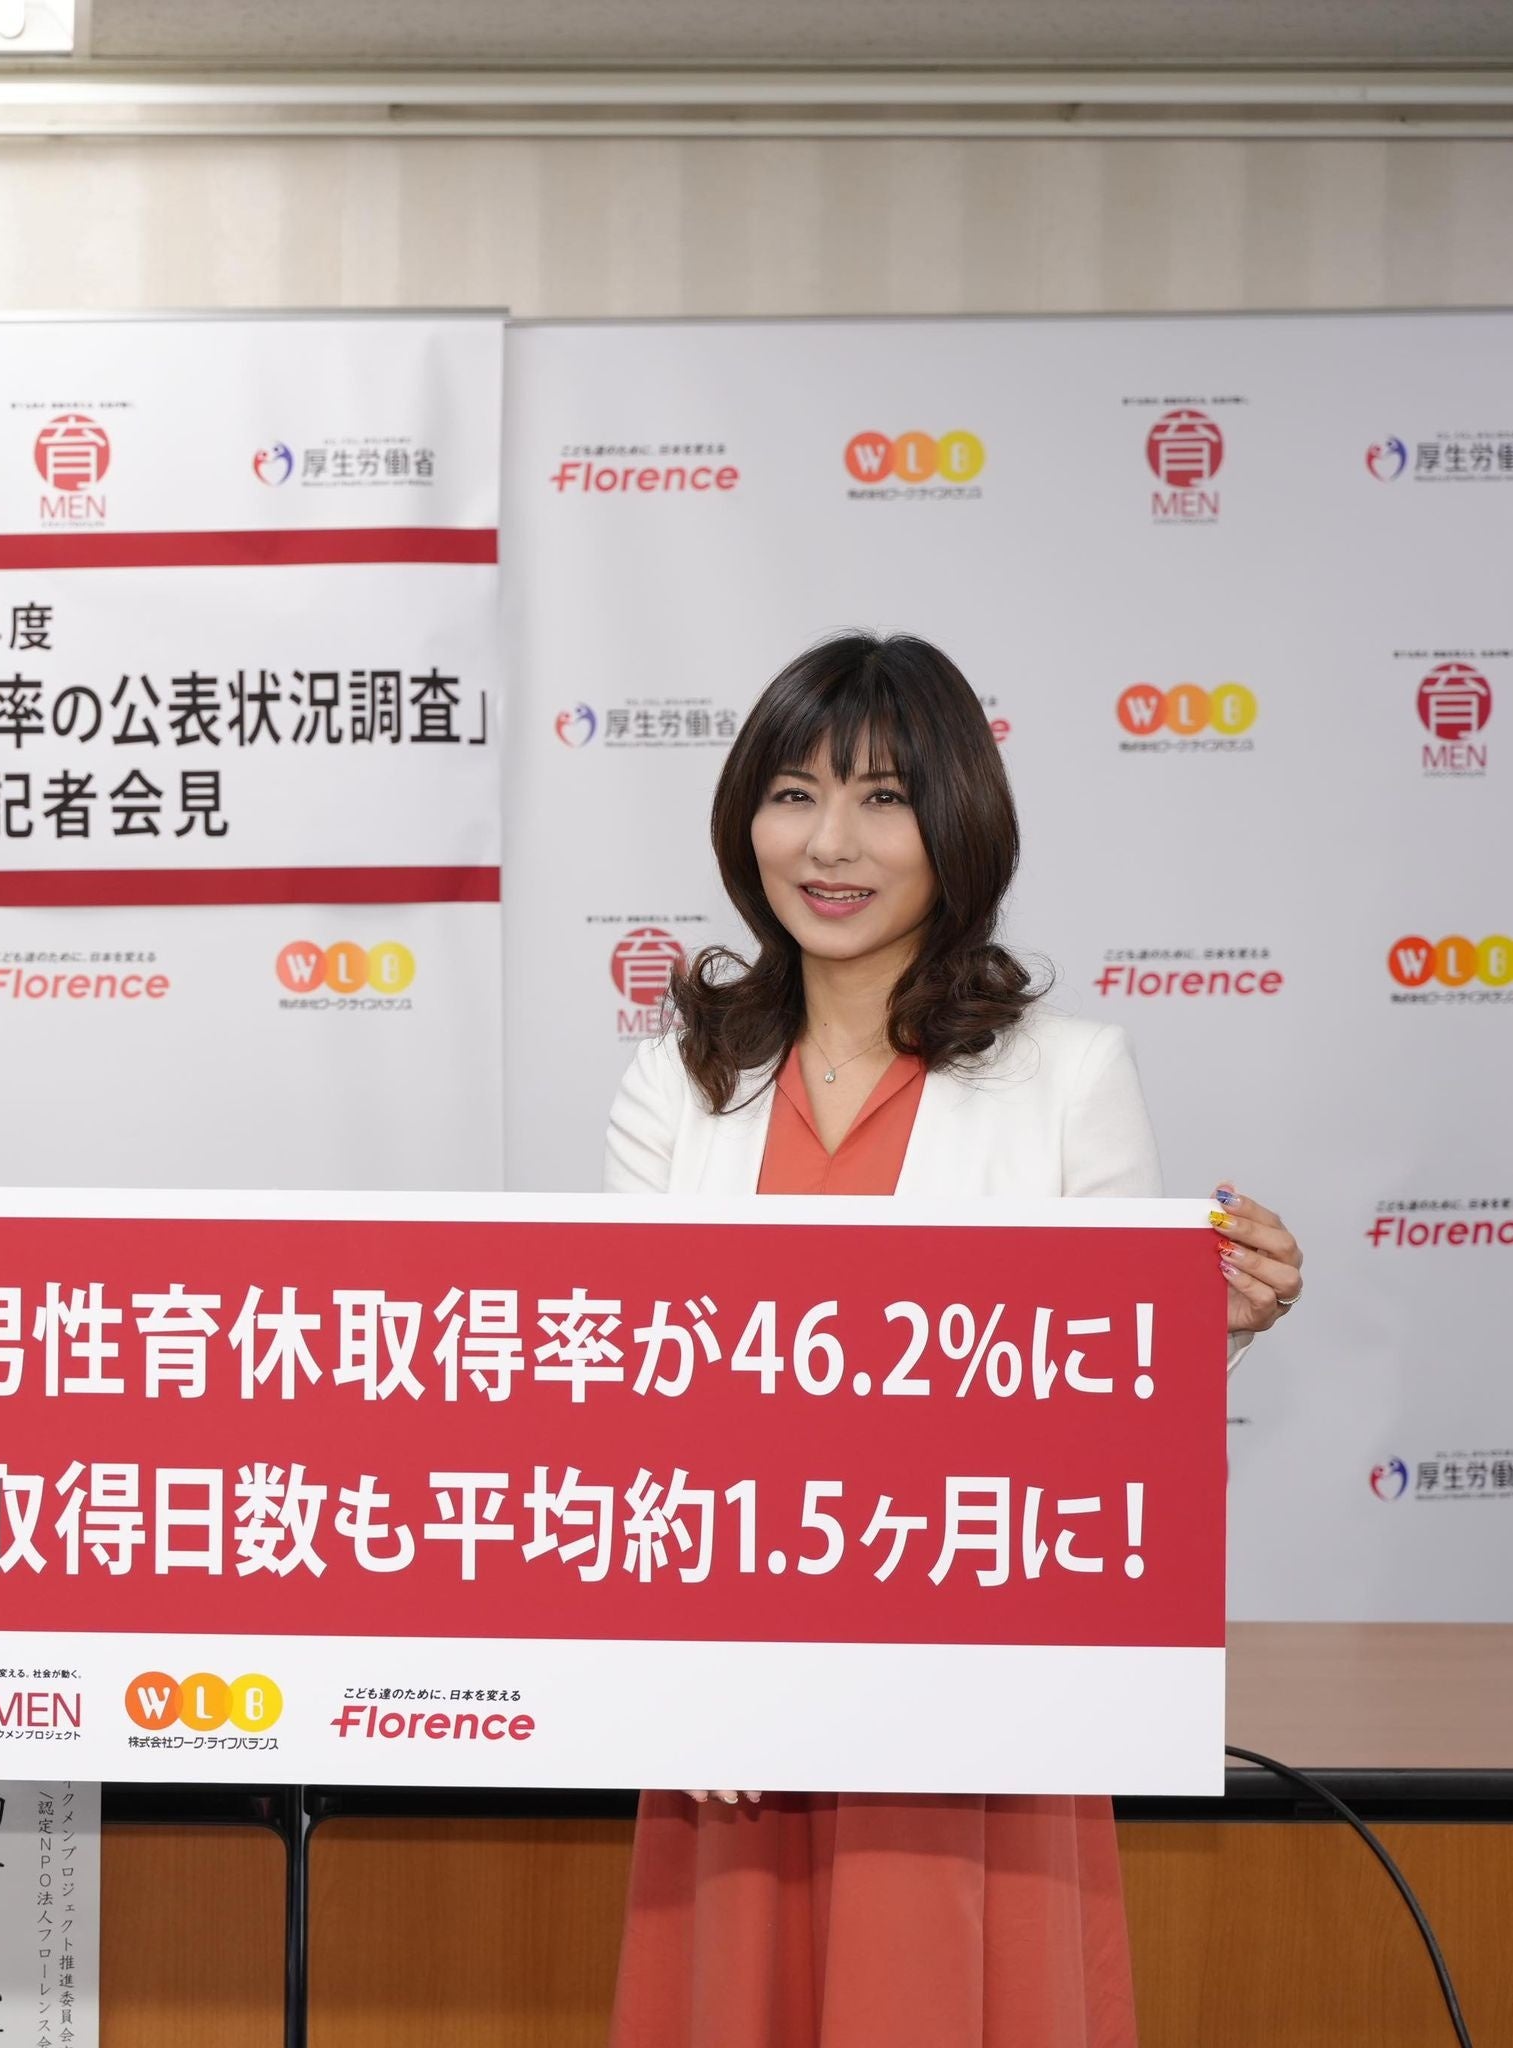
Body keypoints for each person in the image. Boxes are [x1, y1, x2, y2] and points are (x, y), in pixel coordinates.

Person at [600, 632, 1302, 2048]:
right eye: (793, 795)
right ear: (746, 821)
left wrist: (1208, 1330)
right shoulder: (678, 1086)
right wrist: (684, 1679)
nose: (830, 844)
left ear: (957, 823)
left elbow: (1109, 1426)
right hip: (736, 1717)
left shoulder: (1067, 1077)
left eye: (883, 799)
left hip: (978, 1709)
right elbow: (630, 1418)